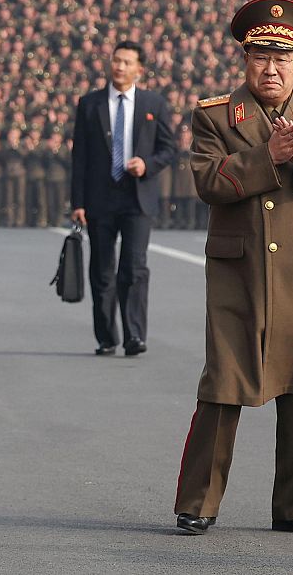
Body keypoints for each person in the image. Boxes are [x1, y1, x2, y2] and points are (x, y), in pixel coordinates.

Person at [173, 0, 293, 537]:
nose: (271, 68)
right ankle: (199, 502)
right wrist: (269, 157)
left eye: (283, 59)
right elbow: (208, 183)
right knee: (224, 386)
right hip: (240, 273)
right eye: (260, 57)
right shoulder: (215, 115)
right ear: (244, 60)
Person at [69, 40, 175, 356]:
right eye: (116, 60)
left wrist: (147, 165)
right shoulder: (90, 104)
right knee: (102, 269)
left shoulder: (154, 104)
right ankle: (106, 337)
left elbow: (169, 149)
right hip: (100, 198)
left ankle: (135, 335)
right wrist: (78, 202)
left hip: (137, 198)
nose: (120, 66)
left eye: (127, 62)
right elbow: (81, 158)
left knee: (134, 267)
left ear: (139, 70)